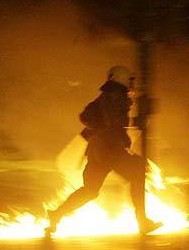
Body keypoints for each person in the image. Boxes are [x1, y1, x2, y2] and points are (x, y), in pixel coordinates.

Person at [46, 66, 161, 235]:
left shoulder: (106, 96)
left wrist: (138, 121)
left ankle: (57, 214)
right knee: (138, 172)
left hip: (97, 150)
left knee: (90, 190)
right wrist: (125, 138)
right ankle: (142, 221)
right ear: (122, 79)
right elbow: (113, 123)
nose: (132, 84)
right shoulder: (117, 97)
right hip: (110, 149)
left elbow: (113, 121)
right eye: (130, 80)